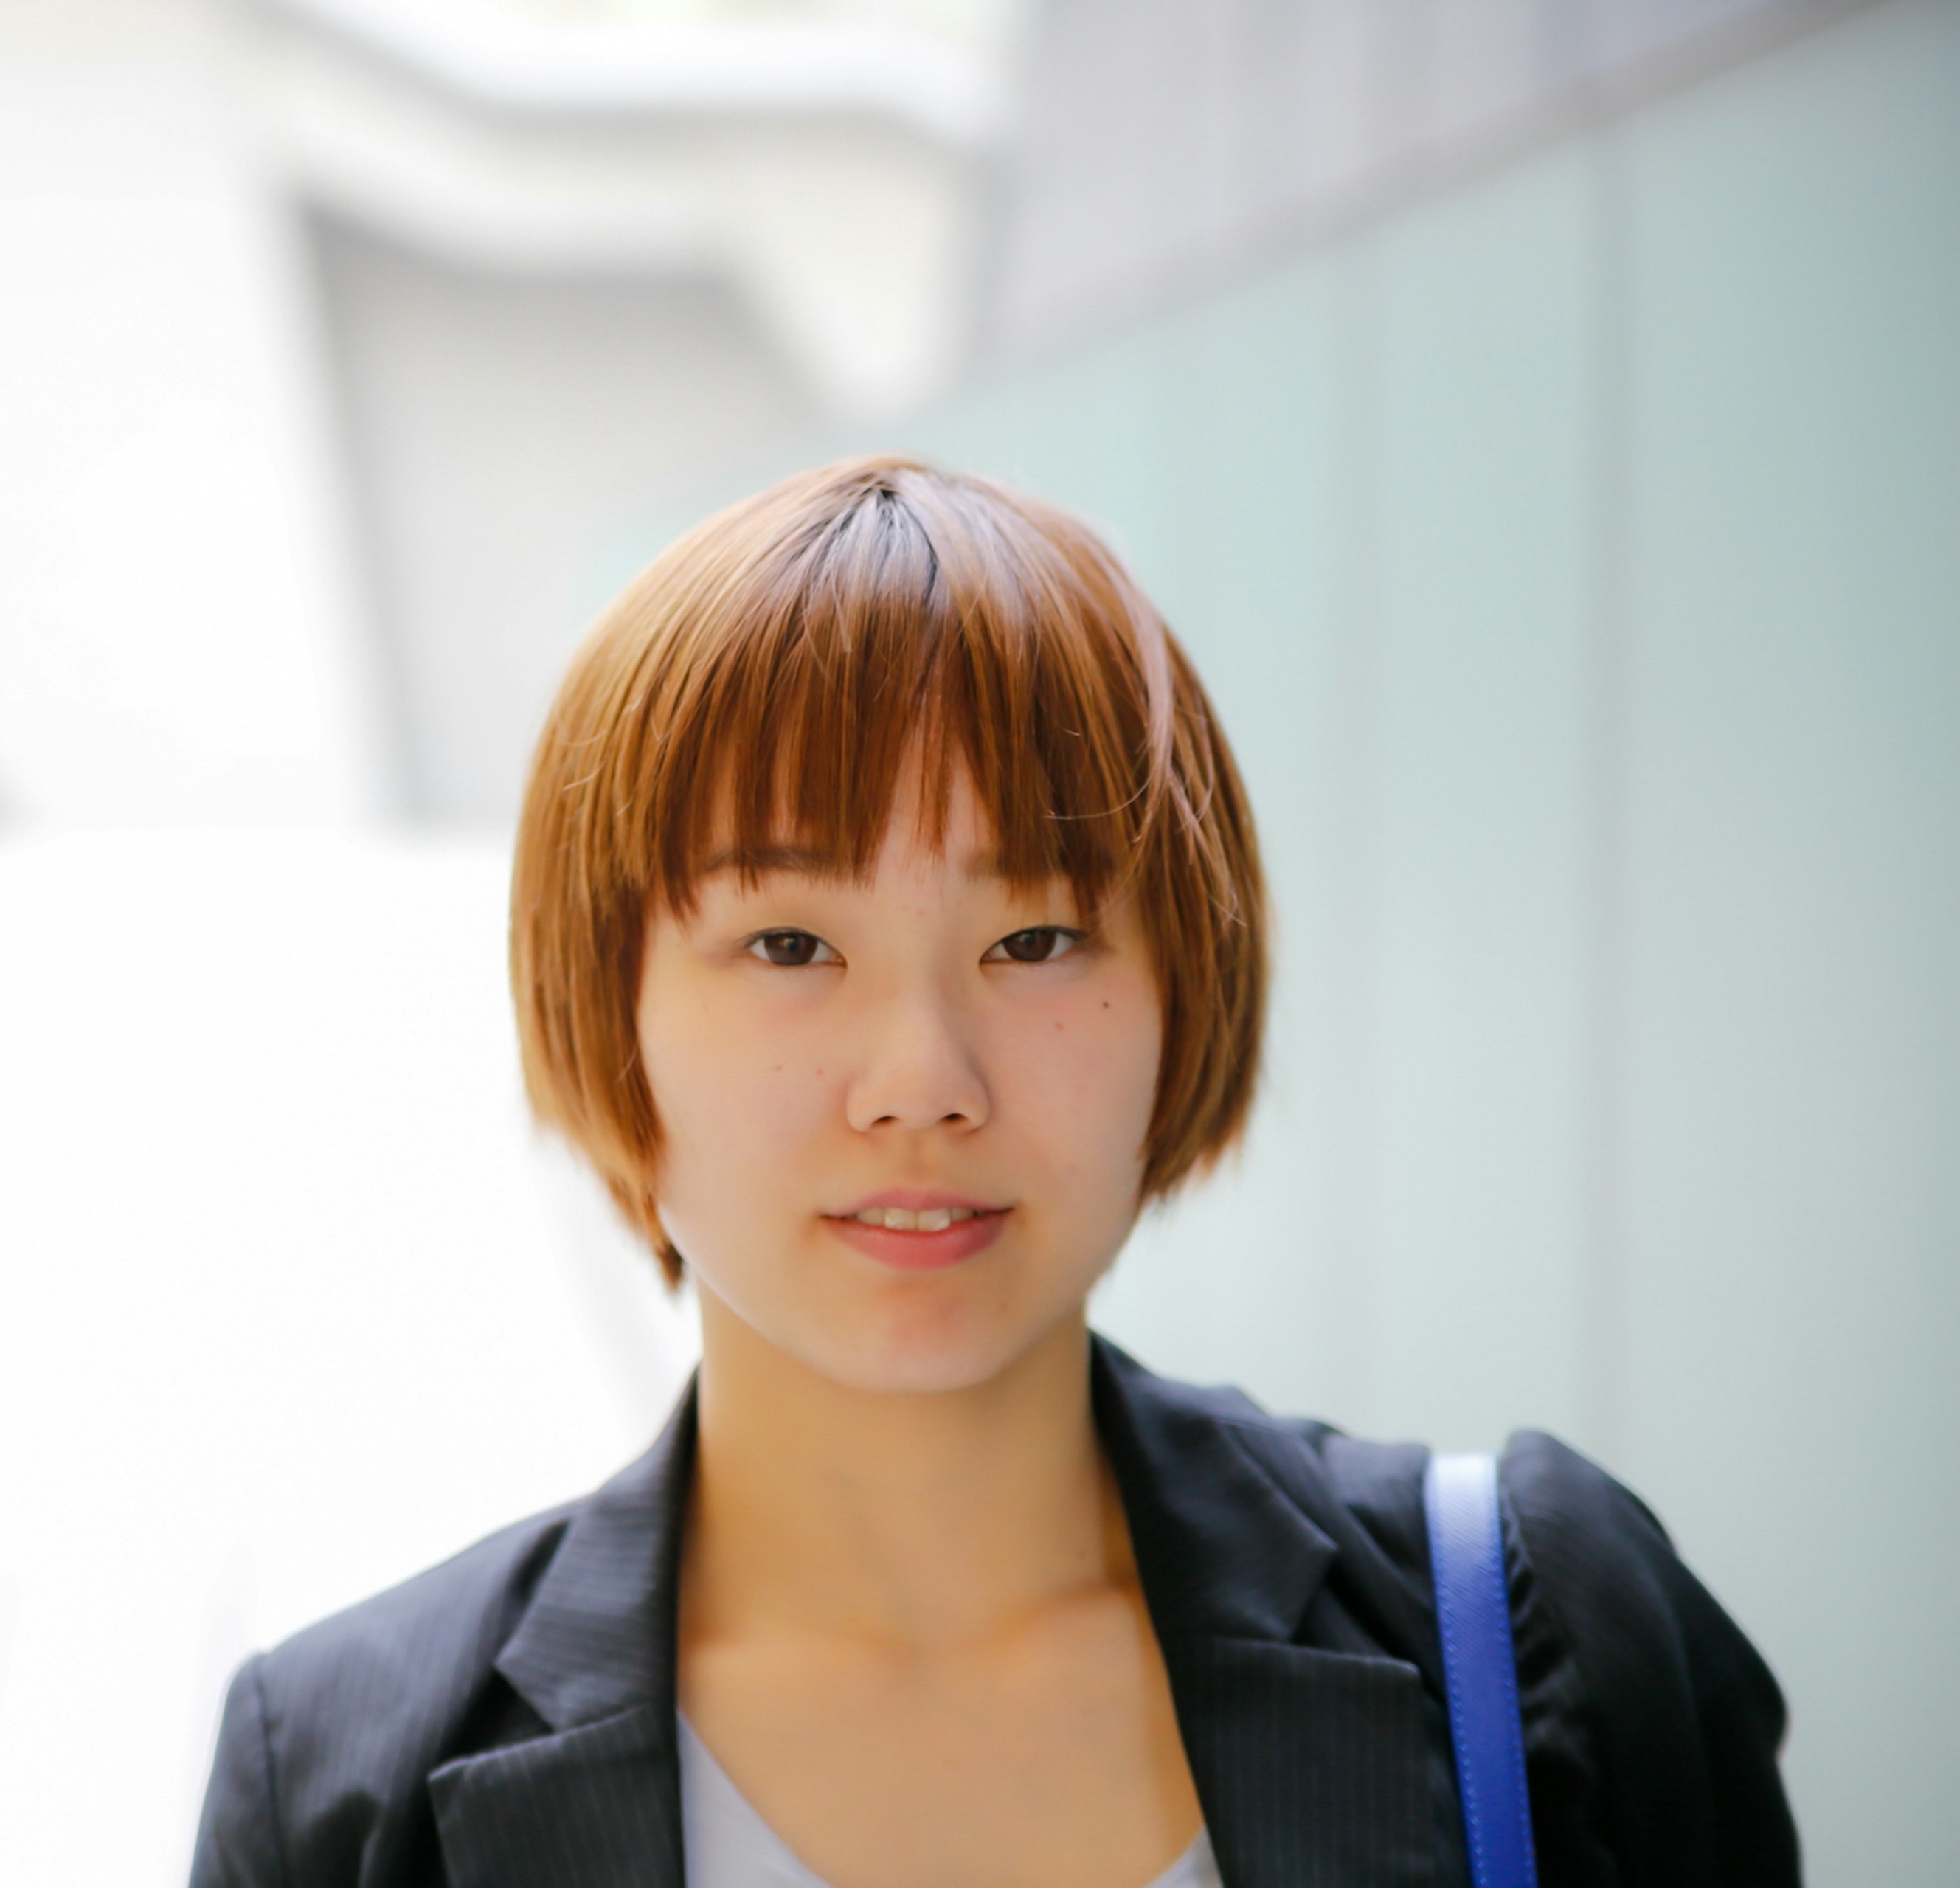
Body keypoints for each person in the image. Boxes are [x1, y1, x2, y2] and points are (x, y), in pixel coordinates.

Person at [187, 457, 1797, 1887]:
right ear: (608, 1011)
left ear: (1187, 986)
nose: (924, 1082)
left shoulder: (1533, 1642)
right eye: (790, 941)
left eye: (1035, 937)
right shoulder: (346, 1782)